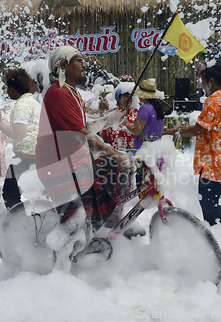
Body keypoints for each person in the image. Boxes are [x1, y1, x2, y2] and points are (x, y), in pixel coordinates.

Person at [36, 46, 133, 271]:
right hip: (57, 166)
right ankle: (59, 274)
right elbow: (83, 135)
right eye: (78, 60)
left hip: (75, 163)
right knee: (75, 218)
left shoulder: (72, 92)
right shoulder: (57, 93)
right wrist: (115, 153)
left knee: (116, 179)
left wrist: (111, 118)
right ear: (63, 66)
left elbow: (85, 126)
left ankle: (102, 233)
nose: (84, 64)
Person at [165, 64, 221, 232]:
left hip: (213, 161)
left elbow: (198, 129)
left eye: (202, 82)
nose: (202, 87)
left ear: (211, 81)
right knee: (209, 202)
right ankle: (210, 232)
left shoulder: (215, 101)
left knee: (208, 203)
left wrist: (176, 130)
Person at [0, 68, 41, 209]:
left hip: (27, 158)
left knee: (10, 193)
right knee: (23, 193)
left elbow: (19, 134)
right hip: (37, 156)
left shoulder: (21, 105)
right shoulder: (33, 102)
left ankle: (20, 221)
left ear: (12, 88)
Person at [123, 79, 165, 186]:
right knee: (153, 185)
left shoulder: (145, 108)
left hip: (144, 152)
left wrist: (125, 122)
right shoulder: (158, 108)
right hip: (156, 150)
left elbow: (136, 130)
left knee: (143, 185)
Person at [100, 81, 139, 153]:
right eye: (126, 96)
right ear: (118, 98)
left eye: (131, 96)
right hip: (116, 155)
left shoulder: (137, 113)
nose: (130, 98)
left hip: (134, 155)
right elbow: (104, 137)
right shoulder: (110, 114)